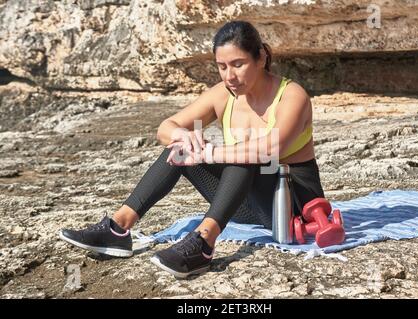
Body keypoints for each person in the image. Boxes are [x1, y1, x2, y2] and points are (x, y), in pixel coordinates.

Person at [59, 20, 325, 278]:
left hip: (292, 207)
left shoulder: (292, 95)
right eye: (222, 67)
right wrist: (183, 136)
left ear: (261, 58)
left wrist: (208, 153)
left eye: (238, 64)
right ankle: (118, 229)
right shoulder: (223, 94)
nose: (229, 76)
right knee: (180, 148)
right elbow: (165, 128)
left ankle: (203, 243)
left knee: (244, 155)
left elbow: (270, 148)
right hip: (247, 206)